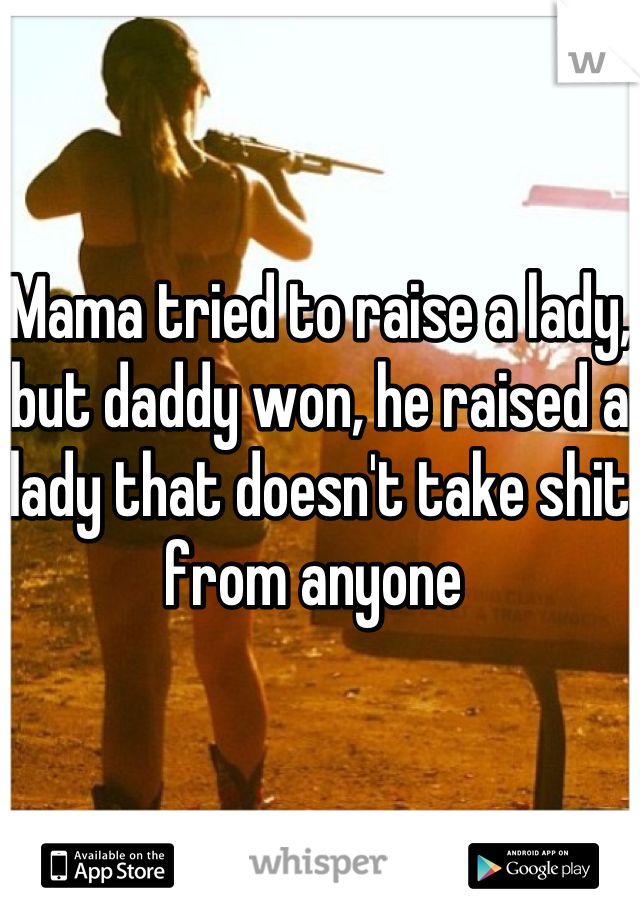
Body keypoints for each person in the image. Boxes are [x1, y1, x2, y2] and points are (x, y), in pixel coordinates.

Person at [26, 17, 312, 810]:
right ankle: (244, 818)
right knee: (226, 654)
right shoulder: (240, 187)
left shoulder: (93, 158)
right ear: (197, 90)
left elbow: (37, 200)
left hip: (125, 434)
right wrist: (269, 172)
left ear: (113, 96)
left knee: (134, 671)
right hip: (221, 431)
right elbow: (301, 246)